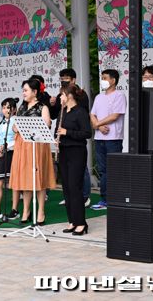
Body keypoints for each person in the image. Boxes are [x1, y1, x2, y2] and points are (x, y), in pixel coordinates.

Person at [9, 79, 56, 225]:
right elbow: (15, 125)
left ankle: (41, 211)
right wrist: (15, 128)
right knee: (25, 179)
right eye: (23, 90)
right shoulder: (22, 107)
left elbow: (47, 124)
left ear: (35, 92)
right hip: (22, 145)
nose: (23, 93)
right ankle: (26, 211)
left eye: (26, 90)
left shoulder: (43, 107)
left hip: (37, 146)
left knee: (38, 179)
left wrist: (34, 127)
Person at [50, 68, 92, 207]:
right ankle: (68, 197)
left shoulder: (79, 96)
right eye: (62, 78)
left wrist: (67, 131)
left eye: (66, 78)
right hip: (64, 143)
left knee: (80, 172)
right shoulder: (62, 98)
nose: (63, 80)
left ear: (73, 80)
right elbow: (55, 114)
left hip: (76, 142)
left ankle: (84, 196)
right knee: (66, 176)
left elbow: (84, 124)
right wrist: (53, 104)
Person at [56, 83, 92, 235]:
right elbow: (57, 130)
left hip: (76, 152)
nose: (60, 97)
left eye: (62, 94)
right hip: (64, 151)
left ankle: (81, 223)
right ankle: (72, 221)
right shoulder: (63, 111)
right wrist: (56, 139)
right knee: (66, 187)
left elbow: (87, 133)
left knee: (74, 187)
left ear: (69, 95)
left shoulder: (80, 112)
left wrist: (67, 132)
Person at [90, 69, 127, 210]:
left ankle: (115, 199)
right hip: (100, 138)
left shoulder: (119, 96)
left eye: (105, 78)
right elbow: (92, 114)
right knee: (103, 170)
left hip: (114, 138)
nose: (103, 80)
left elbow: (115, 116)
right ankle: (104, 199)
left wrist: (97, 125)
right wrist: (98, 127)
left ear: (113, 80)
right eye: (102, 78)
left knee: (114, 169)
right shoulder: (99, 97)